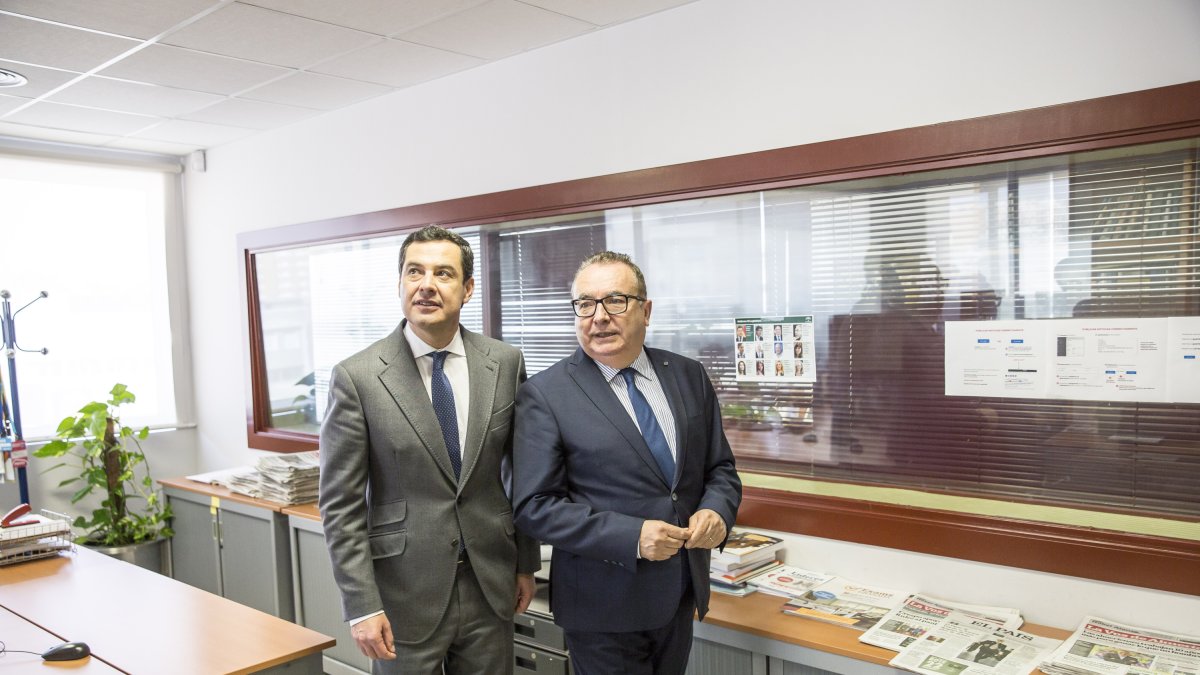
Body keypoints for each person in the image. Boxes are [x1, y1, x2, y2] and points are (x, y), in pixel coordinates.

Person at [319, 225, 540, 674]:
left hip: (489, 583)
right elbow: (340, 505)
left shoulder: (505, 363)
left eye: (443, 273)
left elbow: (523, 473)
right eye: (414, 272)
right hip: (403, 593)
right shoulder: (358, 378)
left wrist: (525, 563)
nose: (426, 285)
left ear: (468, 288)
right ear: (399, 283)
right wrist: (361, 605)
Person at [514, 251, 742, 675]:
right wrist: (632, 536)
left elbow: (720, 468)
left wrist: (717, 510)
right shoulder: (545, 395)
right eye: (586, 304)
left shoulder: (688, 375)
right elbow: (534, 507)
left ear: (646, 310)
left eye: (614, 301)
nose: (599, 316)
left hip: (679, 595)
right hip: (602, 608)